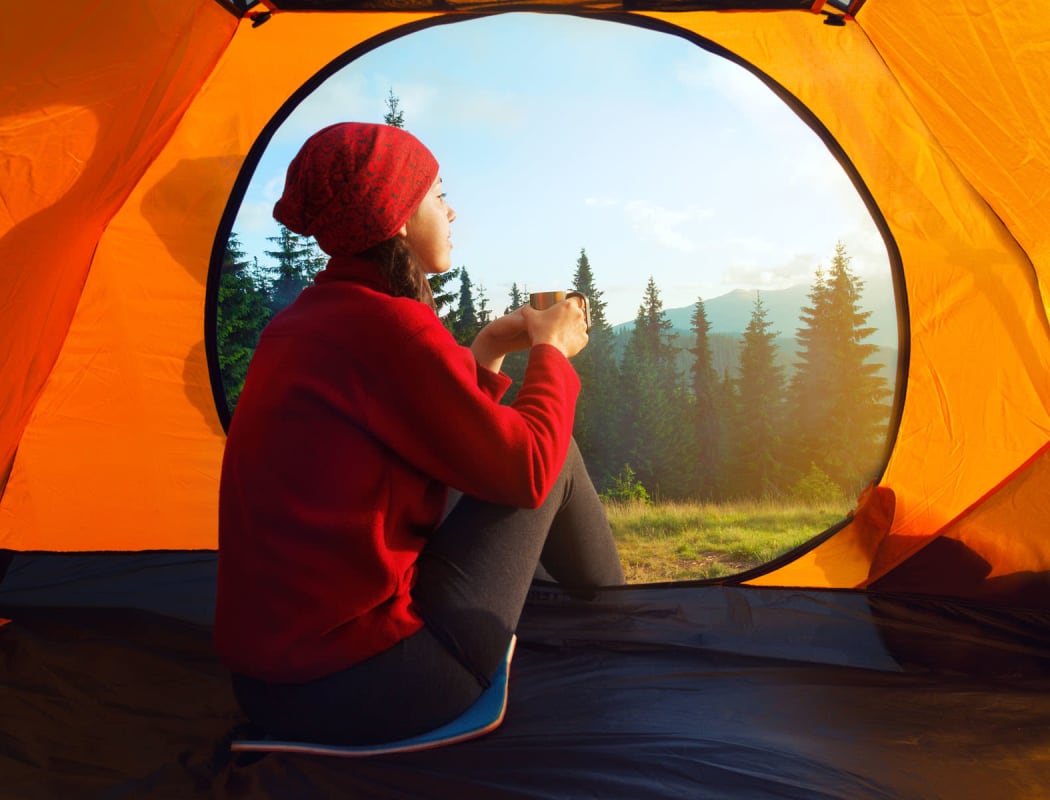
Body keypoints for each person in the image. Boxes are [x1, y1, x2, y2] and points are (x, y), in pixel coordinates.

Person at [213, 122, 625, 746]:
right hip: (374, 684)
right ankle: (620, 620)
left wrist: (485, 349)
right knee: (557, 452)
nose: (452, 209)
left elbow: (432, 429)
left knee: (492, 467)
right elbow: (528, 470)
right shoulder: (388, 327)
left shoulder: (314, 321)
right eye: (438, 194)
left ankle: (594, 607)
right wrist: (554, 353)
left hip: (271, 683)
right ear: (399, 216)